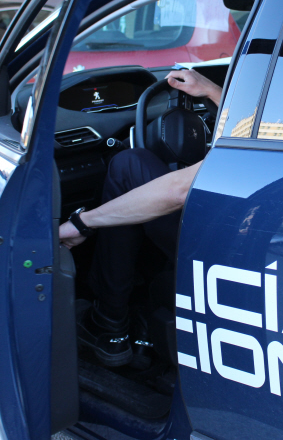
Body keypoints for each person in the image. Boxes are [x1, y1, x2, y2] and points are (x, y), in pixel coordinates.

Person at [59, 68, 222, 367]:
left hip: (230, 247)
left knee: (127, 165)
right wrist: (212, 91)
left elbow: (180, 190)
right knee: (135, 163)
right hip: (259, 233)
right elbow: (259, 129)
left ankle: (109, 322)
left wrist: (82, 222)